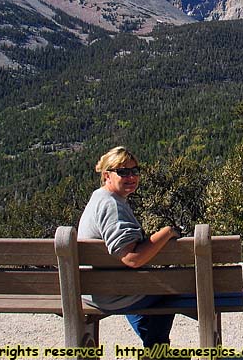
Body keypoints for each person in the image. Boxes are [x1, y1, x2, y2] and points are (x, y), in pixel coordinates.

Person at [77, 146, 181, 350]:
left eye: (134, 171)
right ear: (107, 175)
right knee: (173, 286)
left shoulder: (100, 198)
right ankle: (157, 350)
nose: (131, 176)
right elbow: (132, 258)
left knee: (146, 286)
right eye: (123, 172)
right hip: (110, 294)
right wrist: (167, 232)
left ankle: (156, 349)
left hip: (96, 289)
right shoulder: (111, 205)